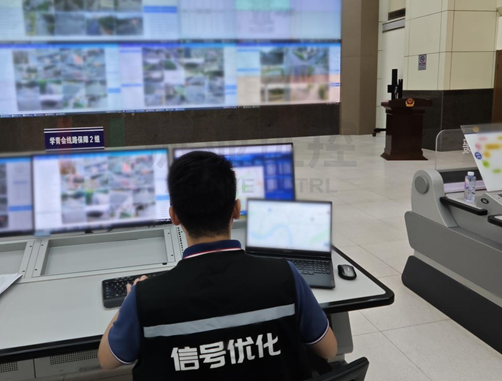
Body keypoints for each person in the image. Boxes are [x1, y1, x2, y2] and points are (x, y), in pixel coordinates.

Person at [98, 151, 337, 380]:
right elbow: (329, 350)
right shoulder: (286, 275)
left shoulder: (145, 297)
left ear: (174, 216)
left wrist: (130, 300)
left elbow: (107, 361)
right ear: (236, 209)